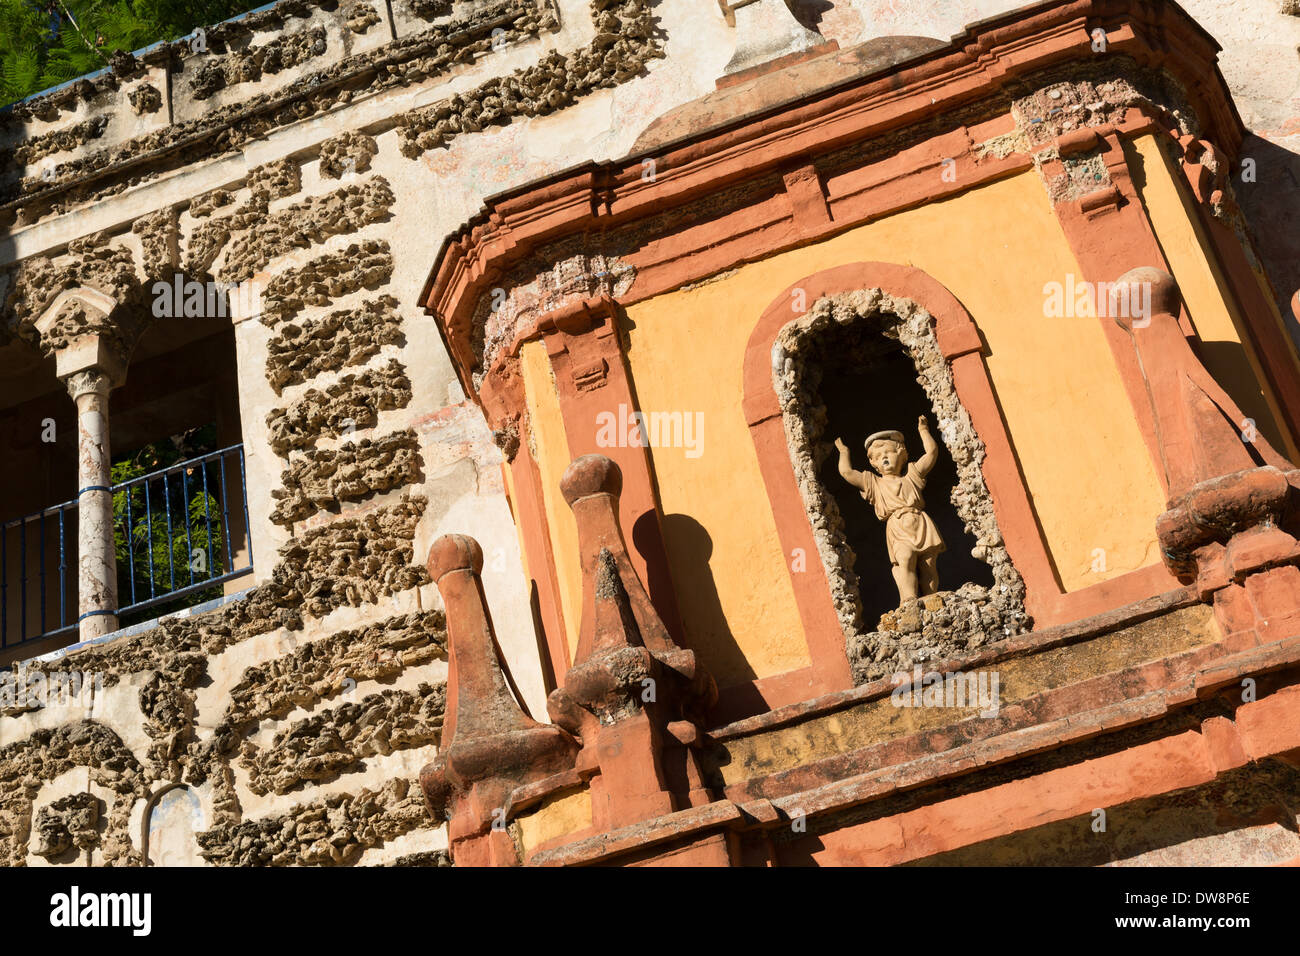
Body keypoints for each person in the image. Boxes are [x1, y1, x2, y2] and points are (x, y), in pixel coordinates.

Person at [834, 414, 946, 604]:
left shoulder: (912, 475)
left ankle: (931, 599)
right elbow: (847, 472)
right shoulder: (873, 483)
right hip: (898, 527)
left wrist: (924, 431)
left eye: (888, 452)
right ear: (874, 464)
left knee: (929, 566)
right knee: (905, 558)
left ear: (902, 454)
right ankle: (908, 599)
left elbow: (932, 453)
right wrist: (844, 452)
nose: (883, 457)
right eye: (878, 457)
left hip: (921, 523)